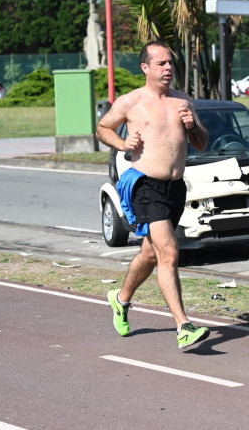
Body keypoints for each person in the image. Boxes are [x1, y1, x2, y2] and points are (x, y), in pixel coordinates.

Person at [96, 41, 211, 349]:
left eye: (170, 63)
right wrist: (123, 145)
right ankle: (183, 326)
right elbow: (103, 128)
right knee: (169, 253)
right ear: (145, 67)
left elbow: (202, 142)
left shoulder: (183, 100)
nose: (168, 68)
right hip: (144, 185)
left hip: (174, 187)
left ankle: (120, 299)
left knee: (150, 253)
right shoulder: (131, 101)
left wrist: (192, 127)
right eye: (161, 63)